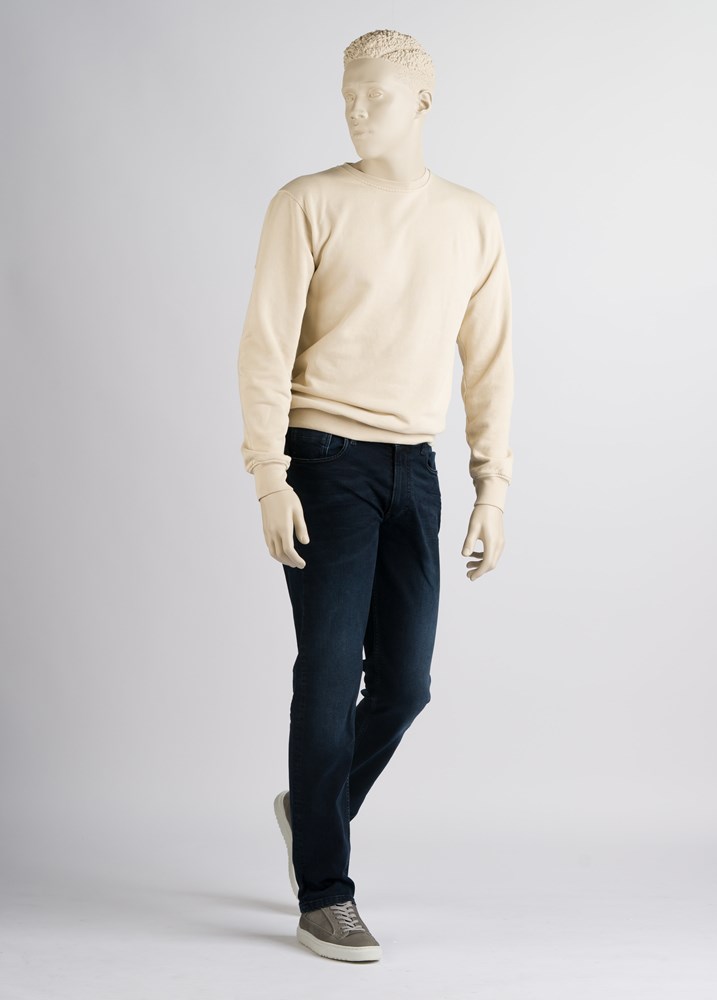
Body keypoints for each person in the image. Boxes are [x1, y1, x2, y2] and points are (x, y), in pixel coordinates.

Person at [237, 27, 514, 963]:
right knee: (327, 671)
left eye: (377, 96)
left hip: (414, 468)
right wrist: (268, 475)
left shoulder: (472, 219)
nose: (356, 111)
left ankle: (312, 808)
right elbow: (265, 346)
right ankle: (326, 892)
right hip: (322, 458)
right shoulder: (307, 203)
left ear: (423, 103)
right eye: (347, 95)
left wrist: (492, 486)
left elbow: (489, 363)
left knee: (404, 683)